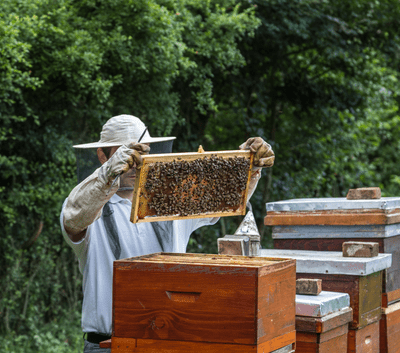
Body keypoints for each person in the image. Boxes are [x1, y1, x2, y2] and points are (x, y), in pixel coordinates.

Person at [60, 114, 274, 353]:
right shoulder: (90, 209)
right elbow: (73, 217)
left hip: (170, 341)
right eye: (129, 154)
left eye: (143, 152)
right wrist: (110, 172)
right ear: (102, 155)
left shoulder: (175, 199)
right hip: (108, 344)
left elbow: (226, 196)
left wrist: (250, 166)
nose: (138, 162)